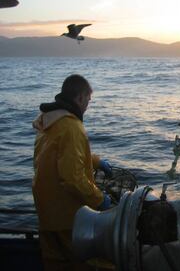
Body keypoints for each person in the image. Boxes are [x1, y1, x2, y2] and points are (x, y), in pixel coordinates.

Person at [32, 74, 113, 270]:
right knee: (89, 263)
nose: (88, 105)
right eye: (88, 100)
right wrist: (98, 199)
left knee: (54, 264)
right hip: (67, 217)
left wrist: (95, 161)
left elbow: (59, 155)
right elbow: (72, 178)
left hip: (46, 213)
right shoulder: (72, 127)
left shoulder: (49, 122)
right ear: (79, 98)